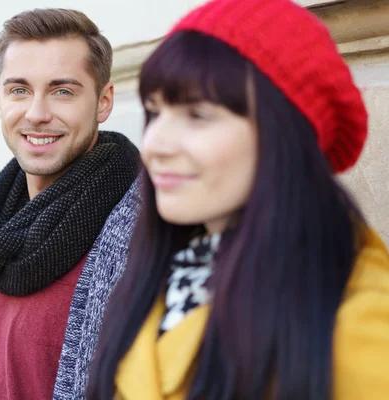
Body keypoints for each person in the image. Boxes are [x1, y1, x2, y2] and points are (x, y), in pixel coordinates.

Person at [87, 0, 389, 399]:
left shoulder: (352, 325)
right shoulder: (164, 271)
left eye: (197, 114)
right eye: (154, 111)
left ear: (285, 136)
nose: (155, 143)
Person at [0, 8, 142, 400]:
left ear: (103, 101)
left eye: (62, 91)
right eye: (19, 90)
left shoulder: (139, 238)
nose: (36, 114)